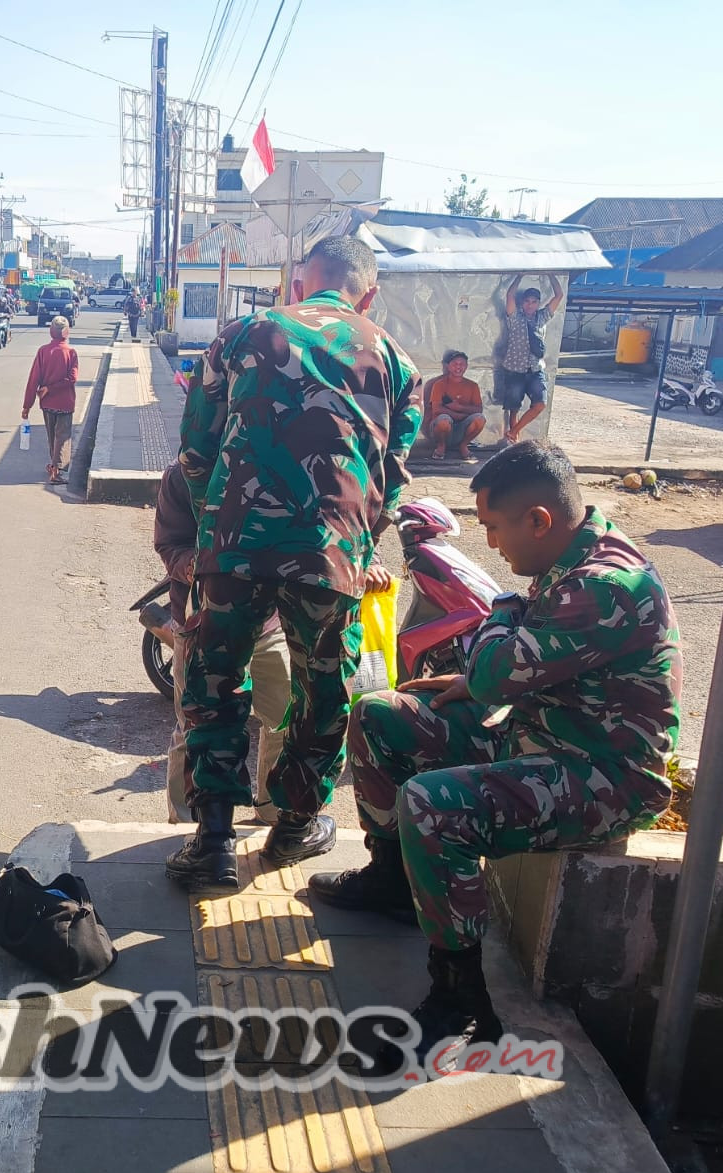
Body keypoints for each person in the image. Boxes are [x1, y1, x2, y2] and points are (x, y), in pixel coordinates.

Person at [309, 441, 681, 1064]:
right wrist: (476, 676)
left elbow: (495, 666)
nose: (490, 544)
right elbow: (501, 672)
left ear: (538, 519)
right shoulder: (574, 556)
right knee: (379, 716)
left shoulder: (606, 585)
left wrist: (500, 619)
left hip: (603, 779)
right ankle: (392, 881)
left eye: (493, 527)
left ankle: (461, 1001)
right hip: (545, 738)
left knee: (433, 804)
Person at [171, 235, 420, 889]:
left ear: (301, 284)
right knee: (322, 691)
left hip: (232, 545)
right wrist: (356, 548)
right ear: (369, 294)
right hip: (330, 553)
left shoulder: (242, 335)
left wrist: (215, 529)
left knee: (216, 684)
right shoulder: (395, 360)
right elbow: (391, 479)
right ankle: (294, 828)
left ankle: (213, 842)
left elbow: (194, 449)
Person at [153, 462, 286, 827]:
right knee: (194, 727)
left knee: (284, 720)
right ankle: (188, 826)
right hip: (202, 624)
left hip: (270, 624)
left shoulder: (277, 464)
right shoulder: (183, 475)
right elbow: (169, 544)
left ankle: (273, 813)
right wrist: (195, 565)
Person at [496, 275, 563, 445]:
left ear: (538, 303)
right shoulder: (515, 316)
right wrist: (520, 275)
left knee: (540, 404)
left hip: (535, 370)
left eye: (534, 302)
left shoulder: (542, 317)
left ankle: (513, 432)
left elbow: (559, 295)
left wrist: (551, 275)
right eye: (527, 301)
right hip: (515, 369)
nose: (530, 305)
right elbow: (510, 295)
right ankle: (514, 441)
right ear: (522, 302)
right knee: (514, 407)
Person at [21, 314, 79, 485]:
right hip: (65, 403)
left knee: (52, 435)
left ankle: (54, 466)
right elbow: (72, 378)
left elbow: (33, 380)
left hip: (47, 403)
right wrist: (52, 388)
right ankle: (56, 471)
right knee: (63, 436)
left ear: (51, 331)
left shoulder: (43, 351)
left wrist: (27, 406)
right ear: (66, 332)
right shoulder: (71, 353)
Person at [423, 349, 484, 463]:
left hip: (461, 429)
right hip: (440, 430)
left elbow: (478, 409)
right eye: (455, 364)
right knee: (444, 419)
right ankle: (441, 447)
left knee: (480, 418)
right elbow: (436, 409)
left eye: (462, 364)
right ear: (448, 366)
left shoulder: (472, 385)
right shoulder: (438, 384)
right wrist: (459, 415)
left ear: (466, 366)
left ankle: (463, 446)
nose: (458, 367)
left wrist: (460, 408)